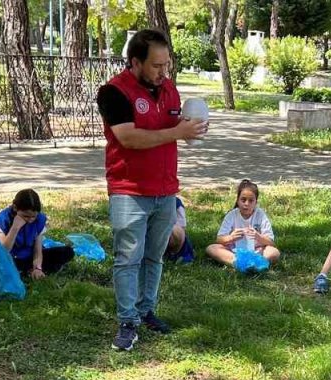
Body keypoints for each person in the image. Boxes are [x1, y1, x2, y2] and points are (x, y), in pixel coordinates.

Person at [96, 28, 207, 352]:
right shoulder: (113, 92)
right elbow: (129, 138)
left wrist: (191, 130)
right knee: (128, 257)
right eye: (157, 66)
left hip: (165, 190)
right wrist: (176, 132)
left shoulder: (169, 89)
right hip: (129, 190)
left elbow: (176, 130)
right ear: (135, 62)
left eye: (167, 65)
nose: (164, 72)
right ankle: (127, 321)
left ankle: (147, 311)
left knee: (154, 256)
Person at [0, 188, 76, 279]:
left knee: (67, 252)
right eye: (26, 216)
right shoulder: (2, 220)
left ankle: (30, 271)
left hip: (29, 257)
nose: (30, 220)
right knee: (2, 266)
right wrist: (15, 228)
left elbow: (37, 250)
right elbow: (3, 251)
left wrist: (38, 268)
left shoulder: (39, 219)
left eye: (33, 217)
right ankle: (24, 271)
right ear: (15, 208)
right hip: (9, 259)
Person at [207, 179, 279, 270]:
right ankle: (239, 263)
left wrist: (258, 236)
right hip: (235, 252)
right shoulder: (232, 215)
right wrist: (231, 237)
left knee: (274, 252)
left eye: (251, 201)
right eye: (243, 200)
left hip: (256, 251)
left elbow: (271, 242)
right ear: (237, 201)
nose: (246, 204)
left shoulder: (260, 215)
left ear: (256, 202)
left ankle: (255, 263)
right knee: (211, 248)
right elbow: (219, 240)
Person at [162, 196, 195, 264]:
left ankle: (175, 255)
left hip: (169, 235)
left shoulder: (175, 202)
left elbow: (181, 228)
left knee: (176, 232)